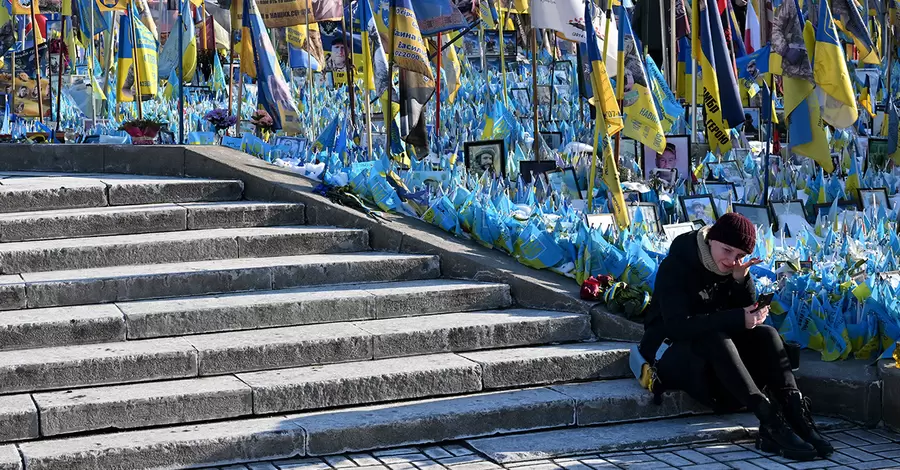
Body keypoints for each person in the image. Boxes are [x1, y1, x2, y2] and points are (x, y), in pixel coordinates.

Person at [637, 213, 833, 462]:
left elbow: (743, 320)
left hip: (716, 360)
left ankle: (795, 414)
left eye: (739, 255)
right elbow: (678, 327)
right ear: (711, 240)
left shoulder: (733, 269)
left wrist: (741, 282)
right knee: (715, 338)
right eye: (727, 250)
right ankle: (769, 418)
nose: (731, 260)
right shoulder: (676, 266)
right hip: (671, 354)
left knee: (767, 335)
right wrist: (737, 317)